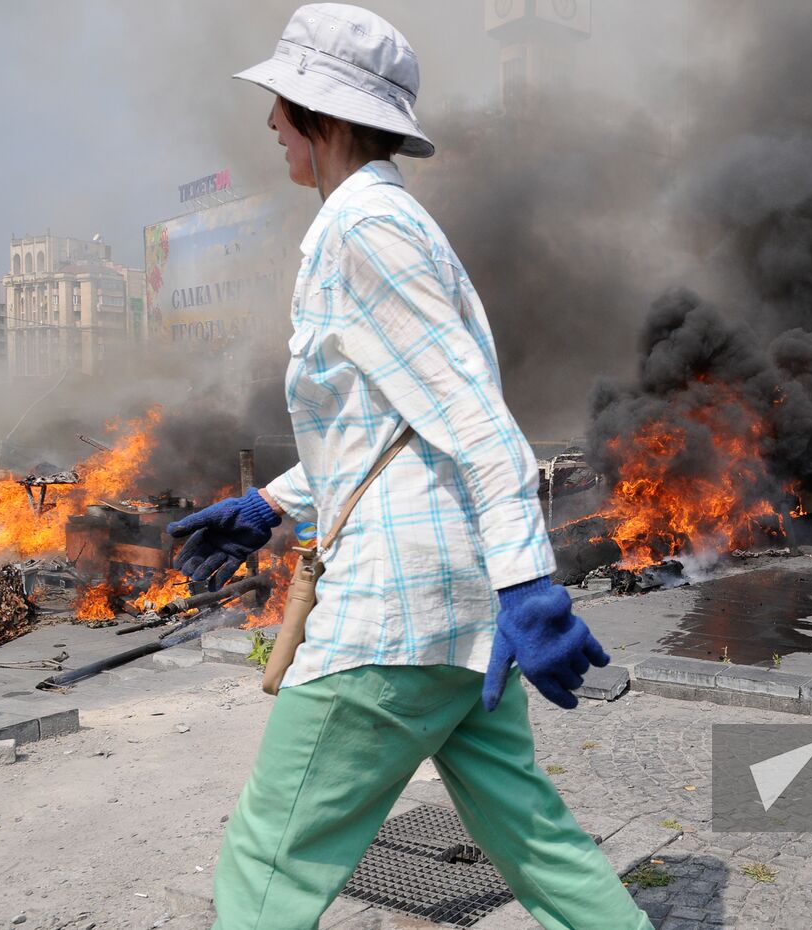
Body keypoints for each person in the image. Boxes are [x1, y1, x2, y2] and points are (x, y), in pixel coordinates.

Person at [165, 6, 652, 928]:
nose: (270, 121)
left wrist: (531, 585)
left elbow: (475, 422)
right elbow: (389, 425)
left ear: (328, 116)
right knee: (540, 849)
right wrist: (270, 505)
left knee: (268, 860)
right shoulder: (395, 224)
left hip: (396, 618)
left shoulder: (363, 231)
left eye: (283, 101)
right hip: (457, 626)